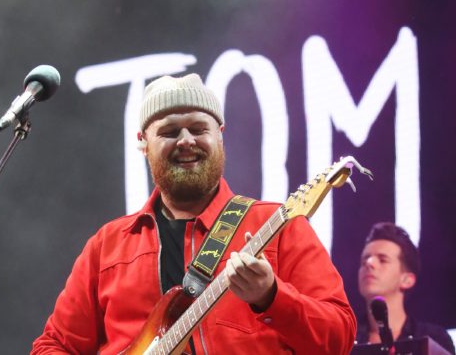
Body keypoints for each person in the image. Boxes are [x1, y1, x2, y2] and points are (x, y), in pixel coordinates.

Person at [32, 73, 356, 354]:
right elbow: (53, 346)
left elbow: (339, 339)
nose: (186, 141)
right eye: (170, 132)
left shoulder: (277, 226)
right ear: (143, 143)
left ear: (220, 134)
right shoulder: (108, 245)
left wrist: (272, 296)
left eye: (198, 128)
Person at [356, 222, 455, 354]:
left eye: (382, 259)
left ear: (407, 280)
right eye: (364, 260)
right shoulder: (345, 337)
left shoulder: (434, 338)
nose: (369, 264)